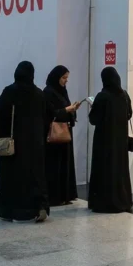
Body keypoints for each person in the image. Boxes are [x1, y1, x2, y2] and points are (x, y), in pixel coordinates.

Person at [0, 61, 50, 221]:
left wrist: (1, 133)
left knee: (11, 177)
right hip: (34, 145)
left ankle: (8, 210)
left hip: (13, 145)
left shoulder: (9, 92)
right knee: (35, 177)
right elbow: (46, 117)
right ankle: (37, 207)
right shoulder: (39, 94)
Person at [87, 67, 133, 213]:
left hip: (104, 141)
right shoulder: (124, 95)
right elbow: (129, 114)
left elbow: (93, 119)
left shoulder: (102, 96)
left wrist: (92, 106)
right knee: (120, 170)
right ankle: (123, 200)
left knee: (104, 170)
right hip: (120, 141)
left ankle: (104, 202)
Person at [43, 65, 81, 206]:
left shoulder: (62, 91)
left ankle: (65, 195)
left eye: (67, 78)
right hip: (55, 136)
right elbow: (49, 113)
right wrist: (66, 110)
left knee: (65, 164)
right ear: (56, 77)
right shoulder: (48, 92)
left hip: (65, 133)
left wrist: (72, 110)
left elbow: (64, 109)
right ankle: (55, 196)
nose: (66, 81)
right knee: (55, 165)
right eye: (64, 78)